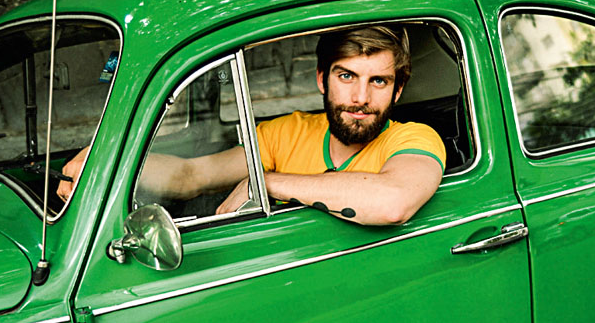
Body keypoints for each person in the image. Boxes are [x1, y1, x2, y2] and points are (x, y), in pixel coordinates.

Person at [58, 25, 446, 225]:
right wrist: (107, 162)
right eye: (346, 77)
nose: (361, 98)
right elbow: (190, 173)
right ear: (321, 80)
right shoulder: (288, 132)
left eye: (378, 81)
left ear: (397, 93)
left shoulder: (414, 138)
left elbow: (393, 203)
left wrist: (265, 182)